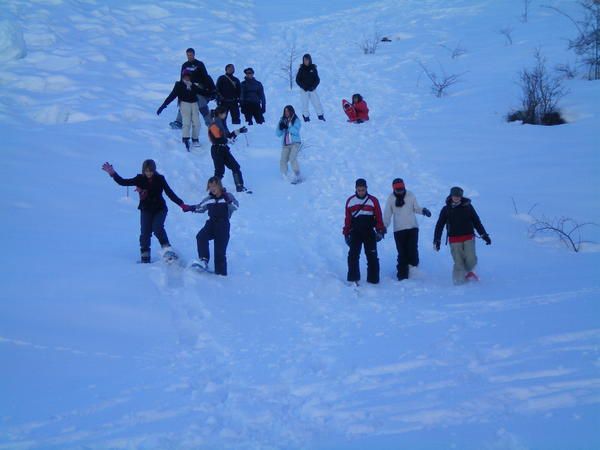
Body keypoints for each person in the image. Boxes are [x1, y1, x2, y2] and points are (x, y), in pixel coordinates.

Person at [101, 159, 191, 263]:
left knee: (157, 228)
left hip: (160, 209)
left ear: (154, 170)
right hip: (146, 209)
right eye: (146, 171)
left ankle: (168, 250)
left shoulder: (160, 179)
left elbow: (169, 193)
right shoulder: (139, 179)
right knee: (145, 233)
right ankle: (145, 256)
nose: (148, 173)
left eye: (151, 171)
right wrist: (113, 173)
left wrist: (181, 204)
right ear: (143, 170)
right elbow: (123, 182)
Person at [433, 186, 491, 284]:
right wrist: (437, 240)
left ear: (461, 196)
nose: (456, 198)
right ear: (451, 196)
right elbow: (439, 225)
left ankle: (470, 272)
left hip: (468, 237)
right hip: (454, 239)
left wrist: (484, 235)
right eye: (454, 196)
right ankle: (459, 282)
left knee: (471, 259)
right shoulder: (446, 209)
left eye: (458, 196)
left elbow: (476, 221)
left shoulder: (468, 206)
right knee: (458, 262)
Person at [382, 178, 431, 281]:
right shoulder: (391, 198)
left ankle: (414, 267)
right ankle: (402, 276)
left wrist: (423, 210)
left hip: (413, 228)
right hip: (399, 230)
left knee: (412, 249)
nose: (400, 191)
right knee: (402, 253)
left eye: (401, 188)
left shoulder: (410, 195)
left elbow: (416, 208)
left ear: (404, 187)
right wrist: (383, 227)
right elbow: (387, 214)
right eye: (397, 189)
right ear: (393, 189)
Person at [189, 177, 239, 276]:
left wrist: (228, 200)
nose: (212, 188)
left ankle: (221, 275)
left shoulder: (227, 196)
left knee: (219, 253)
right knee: (201, 236)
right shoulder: (209, 199)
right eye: (210, 186)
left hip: (223, 225)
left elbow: (236, 206)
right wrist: (189, 208)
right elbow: (200, 208)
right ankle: (204, 260)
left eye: (214, 186)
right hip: (211, 224)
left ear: (219, 186)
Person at [343, 178, 386, 284]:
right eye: (359, 190)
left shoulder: (373, 200)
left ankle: (373, 280)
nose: (361, 192)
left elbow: (379, 217)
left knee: (372, 256)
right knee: (353, 255)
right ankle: (353, 279)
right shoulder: (350, 201)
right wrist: (346, 233)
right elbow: (347, 219)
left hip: (369, 232)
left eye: (363, 189)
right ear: (355, 189)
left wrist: (380, 231)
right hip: (355, 232)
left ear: (366, 188)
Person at [170, 48, 216, 129]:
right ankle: (179, 122)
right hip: (188, 89)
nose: (189, 56)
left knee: (203, 107)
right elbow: (182, 79)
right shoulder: (185, 65)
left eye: (191, 55)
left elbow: (206, 77)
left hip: (199, 89)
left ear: (194, 55)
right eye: (188, 55)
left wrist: (208, 90)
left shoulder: (199, 64)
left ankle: (210, 124)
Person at [157, 69, 201, 151]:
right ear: (182, 76)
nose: (187, 78)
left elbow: (202, 92)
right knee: (186, 122)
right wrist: (163, 105)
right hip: (184, 104)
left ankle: (195, 139)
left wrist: (212, 93)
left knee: (197, 123)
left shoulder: (193, 85)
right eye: (185, 76)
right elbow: (172, 96)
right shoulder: (179, 85)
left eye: (188, 76)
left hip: (194, 104)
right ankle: (185, 138)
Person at [208, 105, 249, 192]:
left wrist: (239, 131)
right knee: (219, 171)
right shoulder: (214, 124)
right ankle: (213, 189)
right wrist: (228, 140)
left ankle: (240, 186)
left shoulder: (221, 124)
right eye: (224, 113)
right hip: (217, 150)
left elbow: (228, 136)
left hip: (223, 149)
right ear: (220, 114)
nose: (225, 115)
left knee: (235, 167)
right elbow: (219, 137)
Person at [276, 105, 302, 183]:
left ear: (291, 111)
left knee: (292, 158)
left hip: (295, 143)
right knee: (283, 160)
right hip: (286, 144)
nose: (286, 112)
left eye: (288, 111)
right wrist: (280, 128)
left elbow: (296, 131)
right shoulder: (282, 120)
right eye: (285, 111)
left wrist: (288, 127)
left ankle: (297, 175)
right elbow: (278, 134)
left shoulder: (296, 120)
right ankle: (284, 175)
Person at [295, 53, 325, 122]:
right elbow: (297, 80)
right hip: (304, 90)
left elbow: (317, 79)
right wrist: (303, 87)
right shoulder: (301, 69)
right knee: (304, 104)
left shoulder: (313, 68)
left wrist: (313, 87)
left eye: (307, 60)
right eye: (304, 60)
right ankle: (306, 117)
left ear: (310, 60)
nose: (306, 61)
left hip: (312, 89)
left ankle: (320, 116)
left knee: (317, 102)